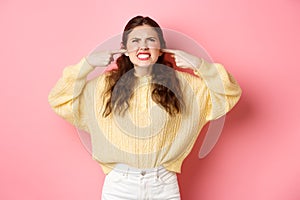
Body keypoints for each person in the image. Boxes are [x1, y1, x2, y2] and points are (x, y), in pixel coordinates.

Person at [48, 16, 242, 200]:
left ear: (161, 49)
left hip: (163, 184)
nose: (143, 46)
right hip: (119, 186)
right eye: (135, 41)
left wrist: (200, 65)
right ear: (124, 49)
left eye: (151, 39)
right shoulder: (103, 86)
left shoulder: (184, 85)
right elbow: (59, 99)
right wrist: (86, 66)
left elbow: (229, 93)